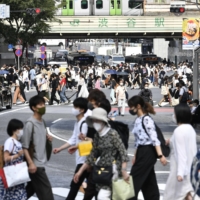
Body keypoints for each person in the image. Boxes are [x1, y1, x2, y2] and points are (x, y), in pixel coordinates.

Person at [73, 107, 129, 200]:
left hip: (114, 171)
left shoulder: (113, 134)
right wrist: (79, 172)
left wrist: (123, 170)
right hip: (102, 172)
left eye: (97, 120)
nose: (95, 123)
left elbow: (123, 153)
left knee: (103, 196)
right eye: (93, 120)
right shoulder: (97, 136)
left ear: (103, 121)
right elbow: (91, 156)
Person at [128, 96, 167, 200]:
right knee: (149, 181)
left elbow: (154, 139)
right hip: (141, 151)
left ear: (138, 106)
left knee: (134, 180)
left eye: (132, 107)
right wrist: (135, 155)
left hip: (148, 151)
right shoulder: (138, 120)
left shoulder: (146, 119)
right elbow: (138, 140)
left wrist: (160, 155)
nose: (130, 109)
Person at [53, 98, 89, 200]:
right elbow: (73, 139)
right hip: (82, 160)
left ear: (82, 110)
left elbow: (87, 143)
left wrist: (77, 148)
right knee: (91, 188)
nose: (73, 109)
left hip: (84, 160)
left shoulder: (84, 124)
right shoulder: (77, 123)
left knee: (74, 185)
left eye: (75, 107)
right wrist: (60, 148)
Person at [21, 95, 54, 200]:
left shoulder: (42, 122)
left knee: (31, 189)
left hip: (40, 162)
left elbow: (38, 139)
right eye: (40, 105)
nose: (43, 106)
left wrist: (47, 138)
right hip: (35, 165)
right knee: (47, 193)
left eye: (43, 104)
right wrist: (31, 163)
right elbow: (25, 146)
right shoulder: (30, 123)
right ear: (34, 108)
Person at [164, 104, 197, 200]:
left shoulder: (178, 131)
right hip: (190, 168)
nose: (173, 115)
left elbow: (181, 153)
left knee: (172, 195)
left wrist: (180, 173)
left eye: (174, 113)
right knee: (187, 194)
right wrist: (171, 141)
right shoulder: (190, 129)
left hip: (179, 169)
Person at [1, 119, 26, 200]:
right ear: (14, 130)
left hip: (18, 173)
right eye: (20, 129)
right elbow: (6, 158)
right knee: (12, 196)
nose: (21, 131)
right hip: (11, 174)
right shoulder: (10, 141)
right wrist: (18, 155)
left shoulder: (18, 142)